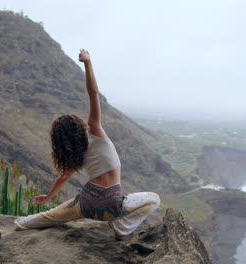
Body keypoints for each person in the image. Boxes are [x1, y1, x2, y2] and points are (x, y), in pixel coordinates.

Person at [14, 49, 160, 241]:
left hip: (87, 203)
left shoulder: (75, 153)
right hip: (111, 205)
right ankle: (122, 228)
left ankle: (23, 222)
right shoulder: (94, 131)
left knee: (53, 215)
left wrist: (48, 197)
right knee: (154, 199)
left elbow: (64, 177)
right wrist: (88, 62)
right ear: (78, 126)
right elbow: (93, 93)